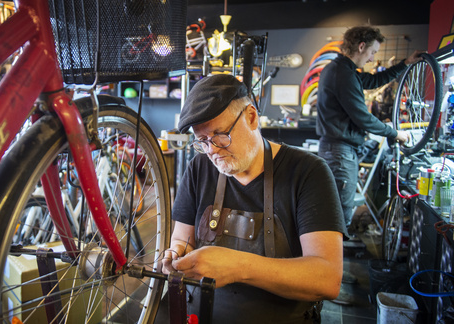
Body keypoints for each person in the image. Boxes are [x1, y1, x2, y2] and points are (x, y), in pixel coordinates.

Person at [162, 74, 346, 323]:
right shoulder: (199, 169)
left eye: (220, 135)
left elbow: (326, 278)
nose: (212, 150)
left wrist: (237, 266)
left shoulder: (308, 172)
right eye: (203, 141)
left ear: (251, 117)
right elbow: (182, 240)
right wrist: (177, 254)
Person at [316, 25, 423, 228]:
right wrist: (396, 134)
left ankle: (333, 254)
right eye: (373, 52)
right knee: (340, 213)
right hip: (340, 152)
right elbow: (363, 119)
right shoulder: (343, 74)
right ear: (361, 46)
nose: (373, 58)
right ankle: (334, 257)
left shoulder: (343, 69)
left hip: (338, 150)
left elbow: (374, 80)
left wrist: (405, 64)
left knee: (337, 209)